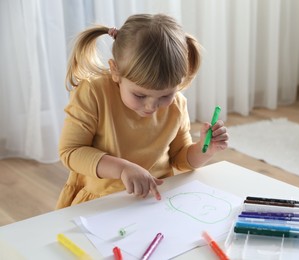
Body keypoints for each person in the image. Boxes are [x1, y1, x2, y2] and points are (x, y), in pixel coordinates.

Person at [56, 13, 229, 209]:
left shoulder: (177, 105)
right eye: (140, 95)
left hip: (155, 202)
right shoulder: (93, 93)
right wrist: (122, 169)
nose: (151, 106)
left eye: (165, 95)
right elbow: (71, 152)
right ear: (115, 71)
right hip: (102, 202)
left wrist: (205, 149)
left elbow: (180, 159)